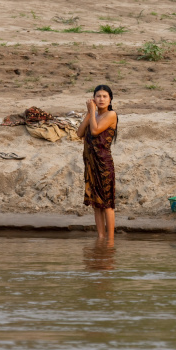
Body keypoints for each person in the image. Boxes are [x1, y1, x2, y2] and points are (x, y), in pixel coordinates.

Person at [77, 85, 118, 239]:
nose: (101, 99)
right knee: (96, 204)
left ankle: (110, 241)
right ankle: (101, 238)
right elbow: (80, 133)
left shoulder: (111, 114)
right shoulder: (92, 115)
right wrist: (89, 113)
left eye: (104, 96)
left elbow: (94, 131)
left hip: (104, 165)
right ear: (93, 98)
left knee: (107, 204)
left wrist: (91, 113)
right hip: (91, 164)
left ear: (110, 99)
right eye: (98, 96)